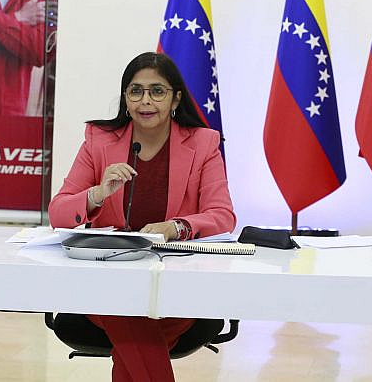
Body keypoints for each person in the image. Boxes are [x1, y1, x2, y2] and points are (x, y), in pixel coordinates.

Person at [49, 52, 235, 382]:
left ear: (176, 98)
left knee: (131, 324)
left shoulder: (203, 143)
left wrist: (176, 227)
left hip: (175, 283)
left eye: (157, 91)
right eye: (136, 91)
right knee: (124, 306)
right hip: (109, 280)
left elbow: (222, 216)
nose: (145, 101)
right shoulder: (98, 141)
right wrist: (97, 194)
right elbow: (58, 213)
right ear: (125, 98)